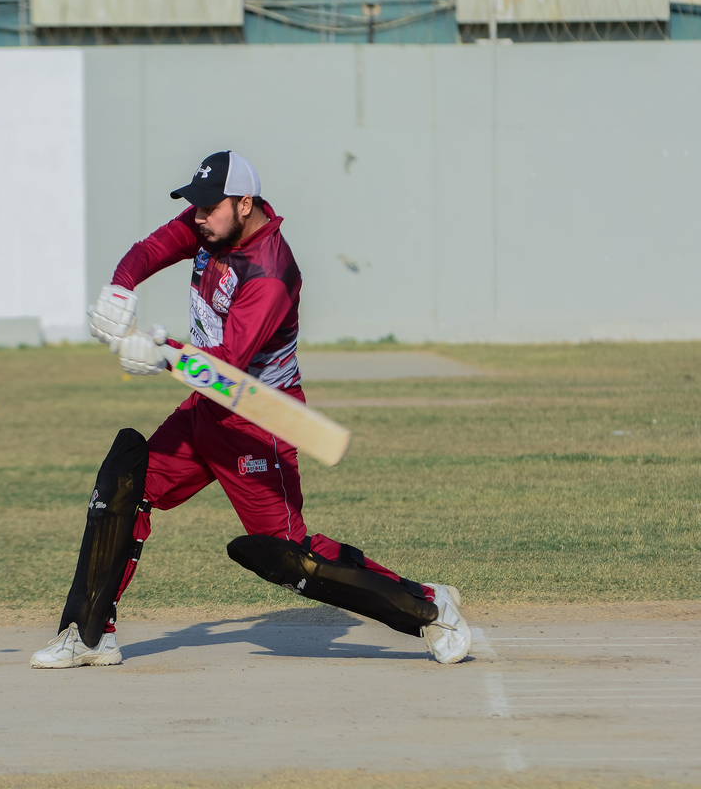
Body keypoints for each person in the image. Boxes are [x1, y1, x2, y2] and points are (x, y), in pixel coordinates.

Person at [30, 151, 471, 669]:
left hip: (259, 422)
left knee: (290, 556)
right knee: (126, 484)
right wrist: (120, 286)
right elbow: (152, 248)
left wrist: (162, 353)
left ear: (245, 204)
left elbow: (229, 363)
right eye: (196, 207)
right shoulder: (211, 226)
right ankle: (88, 635)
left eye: (209, 208)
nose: (197, 217)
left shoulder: (270, 273)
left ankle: (428, 606)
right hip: (206, 409)